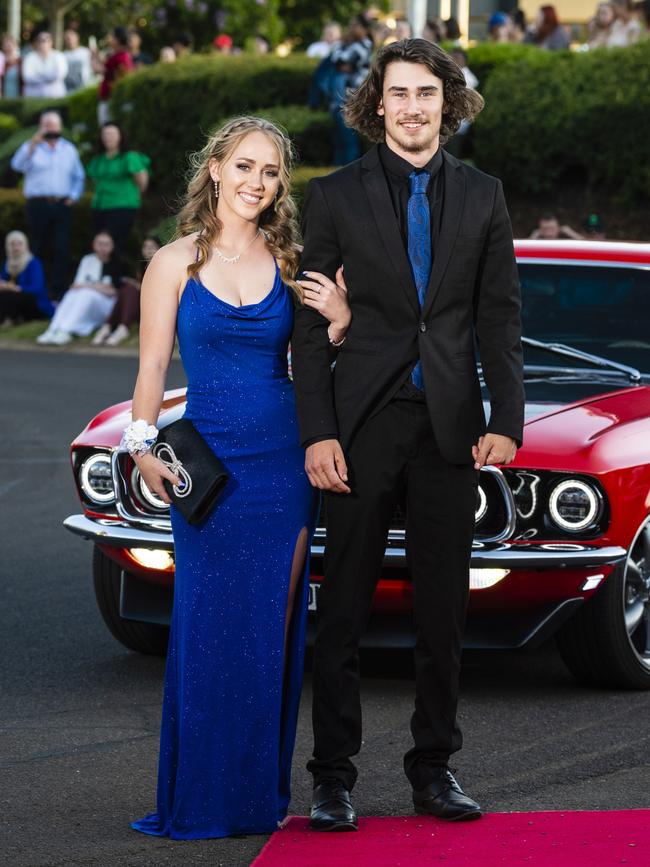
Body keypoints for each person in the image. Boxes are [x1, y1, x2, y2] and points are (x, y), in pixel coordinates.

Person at [292, 38, 524, 831]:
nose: (414, 106)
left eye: (428, 92)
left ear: (446, 103)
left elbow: (498, 320)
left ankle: (434, 767)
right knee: (346, 609)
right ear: (377, 103)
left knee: (442, 613)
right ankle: (332, 777)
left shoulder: (486, 195)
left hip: (451, 431)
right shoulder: (332, 197)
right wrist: (317, 433)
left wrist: (507, 421)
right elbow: (305, 326)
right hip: (359, 429)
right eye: (400, 93)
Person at [127, 116, 350, 840]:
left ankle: (258, 795)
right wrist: (139, 446)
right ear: (215, 168)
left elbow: (322, 362)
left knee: (269, 630)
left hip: (284, 467)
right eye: (245, 166)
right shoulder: (174, 263)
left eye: (272, 171)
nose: (258, 182)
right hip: (207, 470)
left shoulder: (294, 261)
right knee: (205, 627)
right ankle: (200, 795)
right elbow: (153, 369)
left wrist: (341, 322)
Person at [11, 110, 85, 300]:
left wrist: (73, 197)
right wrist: (33, 145)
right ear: (41, 127)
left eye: (54, 126)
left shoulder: (68, 149)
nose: (51, 129)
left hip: (61, 205)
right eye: (47, 126)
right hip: (38, 205)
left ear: (59, 128)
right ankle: (37, 292)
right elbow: (16, 165)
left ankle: (58, 293)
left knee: (61, 248)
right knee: (38, 247)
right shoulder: (31, 147)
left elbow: (79, 176)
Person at [36, 231, 120, 345]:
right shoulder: (87, 260)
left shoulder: (117, 264)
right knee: (71, 294)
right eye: (100, 243)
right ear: (94, 245)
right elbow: (76, 285)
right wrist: (97, 286)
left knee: (86, 294)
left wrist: (89, 286)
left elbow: (114, 291)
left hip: (106, 305)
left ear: (112, 246)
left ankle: (66, 330)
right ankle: (54, 328)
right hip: (87, 296)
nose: (103, 247)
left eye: (106, 244)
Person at [86, 122, 151, 260]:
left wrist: (134, 195)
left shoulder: (129, 157)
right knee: (100, 245)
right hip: (100, 205)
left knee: (115, 244)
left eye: (111, 134)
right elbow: (95, 180)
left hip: (123, 205)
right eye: (105, 134)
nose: (107, 137)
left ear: (120, 137)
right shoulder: (99, 159)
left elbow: (142, 180)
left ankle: (115, 278)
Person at [92, 235, 161, 346]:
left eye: (152, 247)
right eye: (145, 247)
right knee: (126, 290)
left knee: (130, 290)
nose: (148, 250)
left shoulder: (162, 266)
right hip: (140, 305)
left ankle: (118, 327)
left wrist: (138, 286)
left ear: (159, 249)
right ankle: (111, 327)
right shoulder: (141, 266)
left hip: (153, 308)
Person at [329, 16, 373, 165]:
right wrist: (342, 61)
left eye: (356, 26)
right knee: (338, 141)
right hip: (337, 101)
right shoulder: (346, 44)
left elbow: (347, 61)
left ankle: (350, 175)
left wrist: (343, 62)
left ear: (365, 29)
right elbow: (335, 59)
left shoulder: (365, 44)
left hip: (351, 100)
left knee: (349, 141)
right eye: (351, 25)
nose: (352, 29)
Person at [0, 231, 53, 325]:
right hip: (11, 298)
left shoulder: (33, 262)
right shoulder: (7, 264)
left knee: (12, 296)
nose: (16, 248)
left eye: (19, 244)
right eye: (12, 244)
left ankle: (10, 319)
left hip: (34, 303)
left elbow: (37, 288)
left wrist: (17, 288)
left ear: (25, 245)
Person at [93, 27, 134, 124]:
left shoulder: (122, 56)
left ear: (117, 39)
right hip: (109, 98)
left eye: (112, 36)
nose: (109, 39)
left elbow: (107, 71)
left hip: (112, 99)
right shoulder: (118, 54)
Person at [22, 31, 67, 98]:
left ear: (51, 42)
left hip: (55, 96)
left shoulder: (59, 56)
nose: (42, 43)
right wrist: (49, 76)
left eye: (45, 40)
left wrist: (38, 76)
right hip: (33, 97)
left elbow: (59, 74)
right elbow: (27, 77)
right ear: (36, 43)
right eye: (39, 40)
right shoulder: (29, 57)